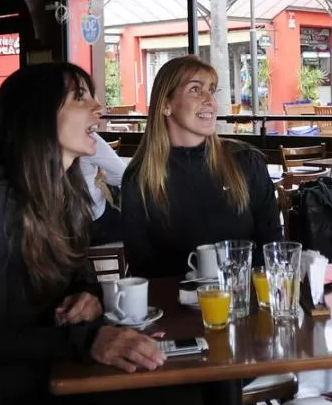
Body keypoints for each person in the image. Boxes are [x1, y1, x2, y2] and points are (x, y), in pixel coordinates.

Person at [0, 63, 203, 405]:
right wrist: (91, 339)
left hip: (47, 359)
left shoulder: (65, 193)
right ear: (37, 117)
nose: (98, 107)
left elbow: (78, 270)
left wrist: (86, 293)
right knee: (177, 398)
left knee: (185, 381)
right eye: (79, 97)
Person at [121, 54, 282, 279]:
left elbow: (271, 244)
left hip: (245, 301)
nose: (210, 101)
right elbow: (142, 267)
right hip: (175, 307)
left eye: (212, 90)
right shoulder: (139, 178)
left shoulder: (245, 161)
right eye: (196, 90)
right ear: (166, 105)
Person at [82, 132, 126, 245]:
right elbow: (122, 175)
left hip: (49, 230)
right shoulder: (85, 136)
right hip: (90, 226)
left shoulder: (36, 137)